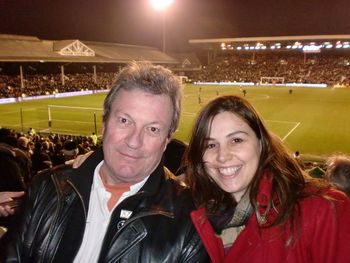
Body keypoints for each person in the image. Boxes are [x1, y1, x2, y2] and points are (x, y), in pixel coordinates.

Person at [2, 61, 208, 262]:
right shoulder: (45, 187)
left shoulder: (190, 222)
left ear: (166, 141)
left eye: (153, 129)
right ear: (104, 124)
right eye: (124, 120)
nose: (134, 142)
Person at [184, 95, 350, 263]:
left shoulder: (324, 210)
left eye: (236, 140)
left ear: (261, 143)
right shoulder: (197, 218)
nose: (222, 156)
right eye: (211, 145)